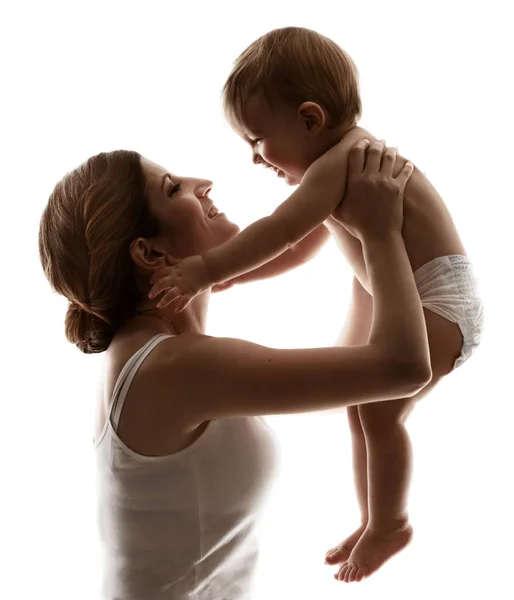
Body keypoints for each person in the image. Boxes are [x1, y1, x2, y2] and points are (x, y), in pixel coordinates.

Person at [146, 27, 484, 583]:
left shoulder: (345, 162)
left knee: (379, 408)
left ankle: (391, 524)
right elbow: (303, 247)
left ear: (309, 119)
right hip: (405, 289)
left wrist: (210, 267)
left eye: (257, 140)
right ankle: (375, 515)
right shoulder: (346, 166)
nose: (255, 158)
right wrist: (234, 279)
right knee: (359, 400)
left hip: (441, 301)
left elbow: (279, 230)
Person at [38, 139, 430, 599]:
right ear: (150, 254)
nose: (203, 184)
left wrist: (346, 217)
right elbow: (403, 367)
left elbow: (353, 378)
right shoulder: (173, 368)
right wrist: (380, 233)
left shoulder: (159, 356)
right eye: (173, 188)